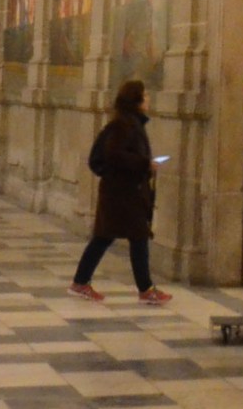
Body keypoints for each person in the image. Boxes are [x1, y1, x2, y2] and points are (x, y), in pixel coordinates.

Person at [70, 80, 170, 304]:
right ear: (136, 100)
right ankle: (144, 290)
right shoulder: (123, 126)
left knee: (116, 237)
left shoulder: (130, 123)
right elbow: (114, 155)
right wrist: (145, 164)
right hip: (122, 194)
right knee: (120, 237)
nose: (148, 99)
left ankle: (83, 282)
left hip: (125, 193)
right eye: (145, 95)